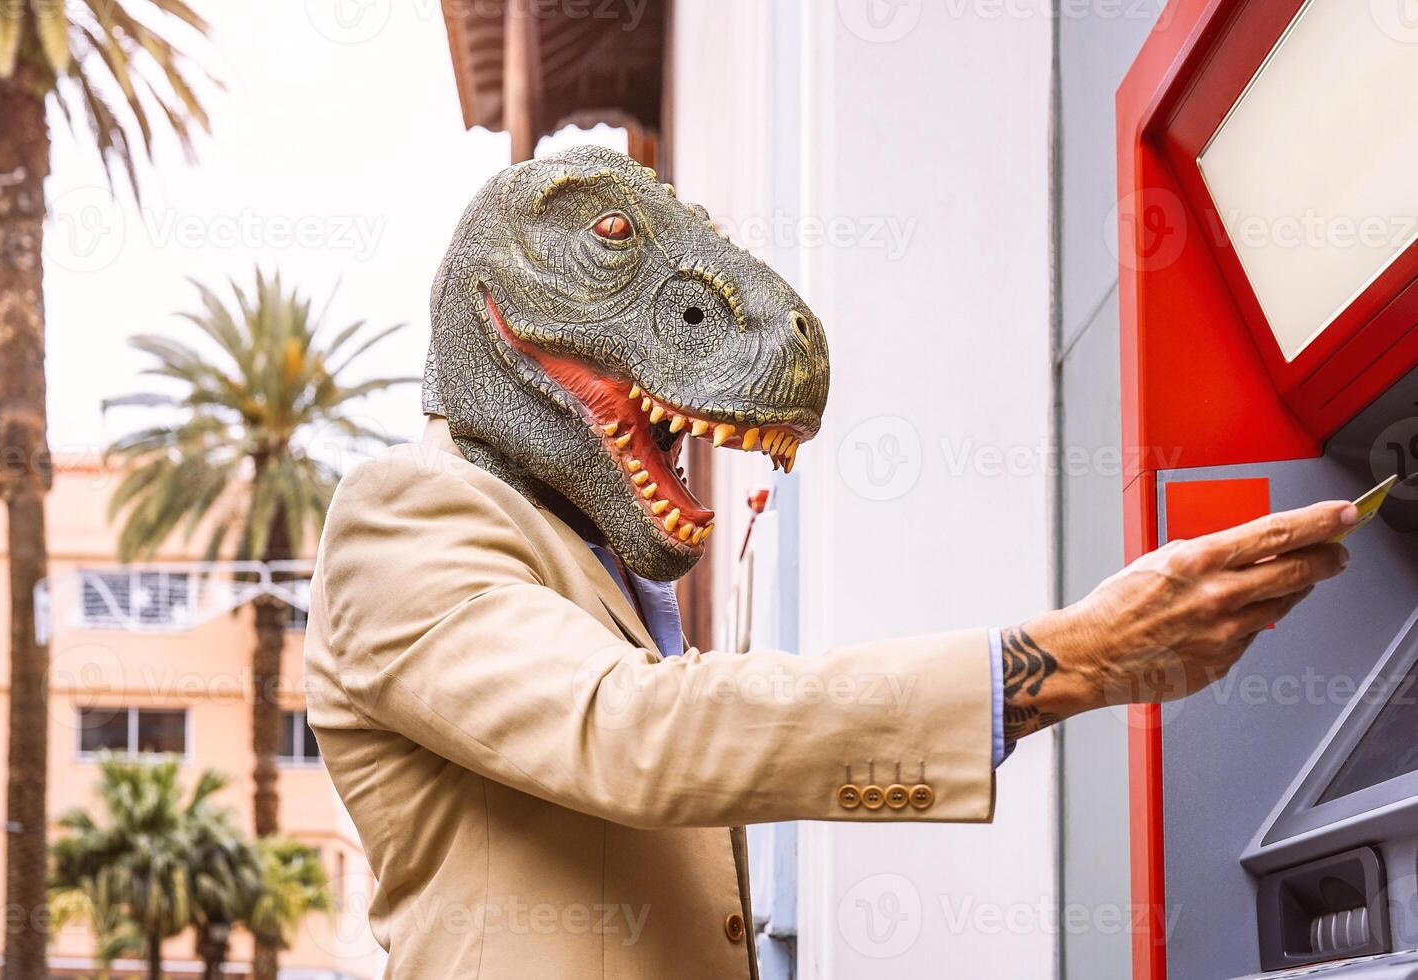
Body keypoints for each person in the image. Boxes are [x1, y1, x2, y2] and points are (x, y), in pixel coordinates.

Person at [302, 146, 1354, 979]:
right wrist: (1068, 657)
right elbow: (631, 731)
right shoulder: (403, 516)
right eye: (611, 237)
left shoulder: (588, 564)